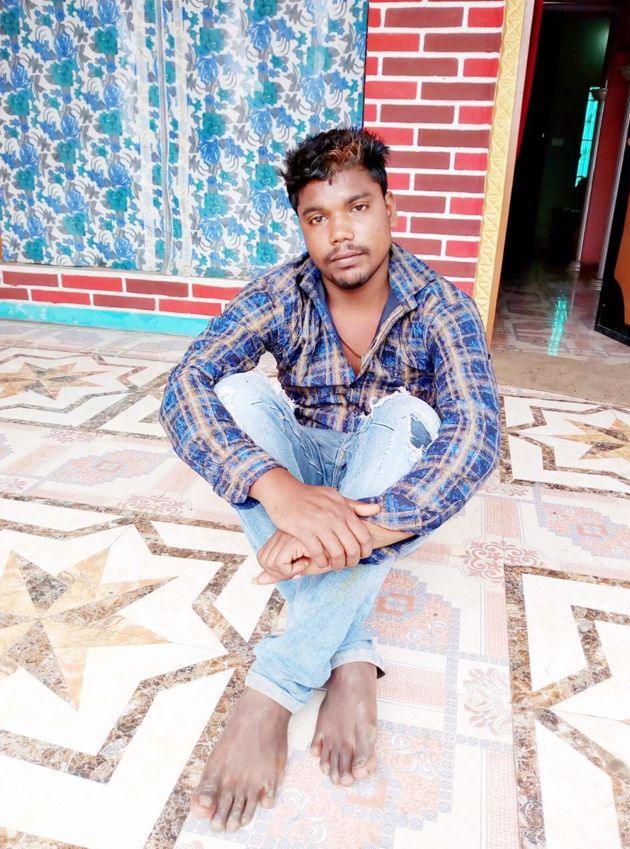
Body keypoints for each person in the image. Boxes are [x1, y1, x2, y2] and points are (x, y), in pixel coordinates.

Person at [160, 126, 500, 833]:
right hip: (303, 466)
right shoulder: (281, 292)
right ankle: (351, 652)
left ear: (389, 208)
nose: (339, 233)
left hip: (380, 483)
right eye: (317, 217)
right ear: (302, 226)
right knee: (232, 392)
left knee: (413, 416)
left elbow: (476, 432)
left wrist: (359, 533)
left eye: (358, 208)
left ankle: (274, 691)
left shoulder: (442, 306)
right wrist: (279, 489)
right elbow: (185, 382)